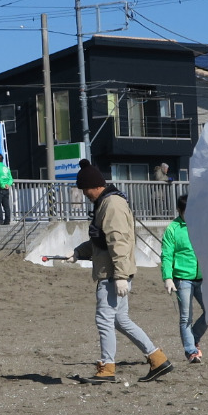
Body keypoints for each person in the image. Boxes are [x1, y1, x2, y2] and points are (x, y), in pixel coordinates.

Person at [69, 159, 173, 385]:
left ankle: (107, 369)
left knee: (104, 320)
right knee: (120, 320)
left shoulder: (111, 204)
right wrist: (78, 253)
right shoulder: (108, 202)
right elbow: (102, 241)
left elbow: (119, 242)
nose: (84, 193)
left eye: (85, 189)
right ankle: (157, 359)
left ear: (95, 186)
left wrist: (120, 276)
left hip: (113, 275)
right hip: (115, 273)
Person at [160, 194, 205, 363]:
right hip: (182, 278)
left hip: (201, 277)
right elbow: (166, 255)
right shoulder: (173, 228)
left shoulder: (201, 225)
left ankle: (193, 337)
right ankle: (191, 350)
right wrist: (167, 278)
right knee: (186, 316)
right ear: (180, 210)